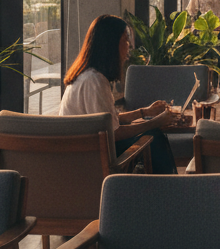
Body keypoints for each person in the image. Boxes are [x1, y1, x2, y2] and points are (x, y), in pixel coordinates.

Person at [60, 14, 179, 173]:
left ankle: (161, 185)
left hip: (82, 153)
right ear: (111, 44)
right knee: (153, 136)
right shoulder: (94, 81)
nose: (129, 46)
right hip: (91, 161)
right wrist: (154, 122)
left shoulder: (86, 76)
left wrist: (145, 112)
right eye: (125, 40)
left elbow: (107, 120)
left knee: (150, 135)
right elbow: (114, 133)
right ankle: (167, 186)